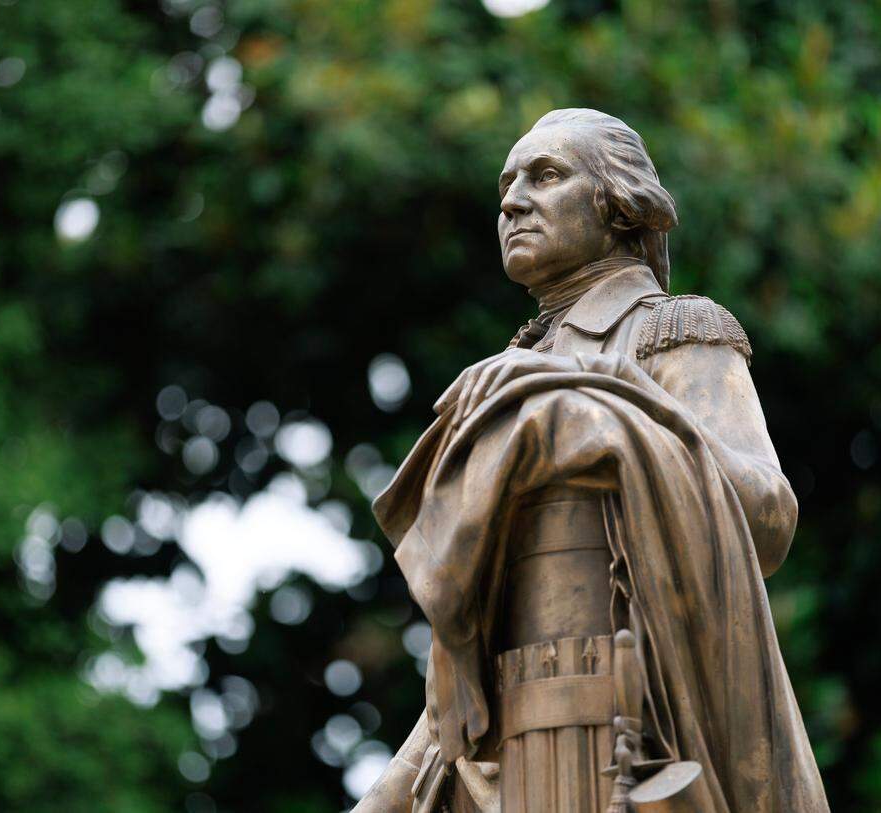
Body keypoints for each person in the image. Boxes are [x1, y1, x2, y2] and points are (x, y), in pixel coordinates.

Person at [355, 109, 829, 812]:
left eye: (546, 176)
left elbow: (767, 519)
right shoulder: (507, 378)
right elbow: (465, 674)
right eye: (506, 186)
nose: (513, 202)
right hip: (515, 761)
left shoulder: (671, 332)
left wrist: (599, 395)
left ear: (619, 205)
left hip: (643, 745)